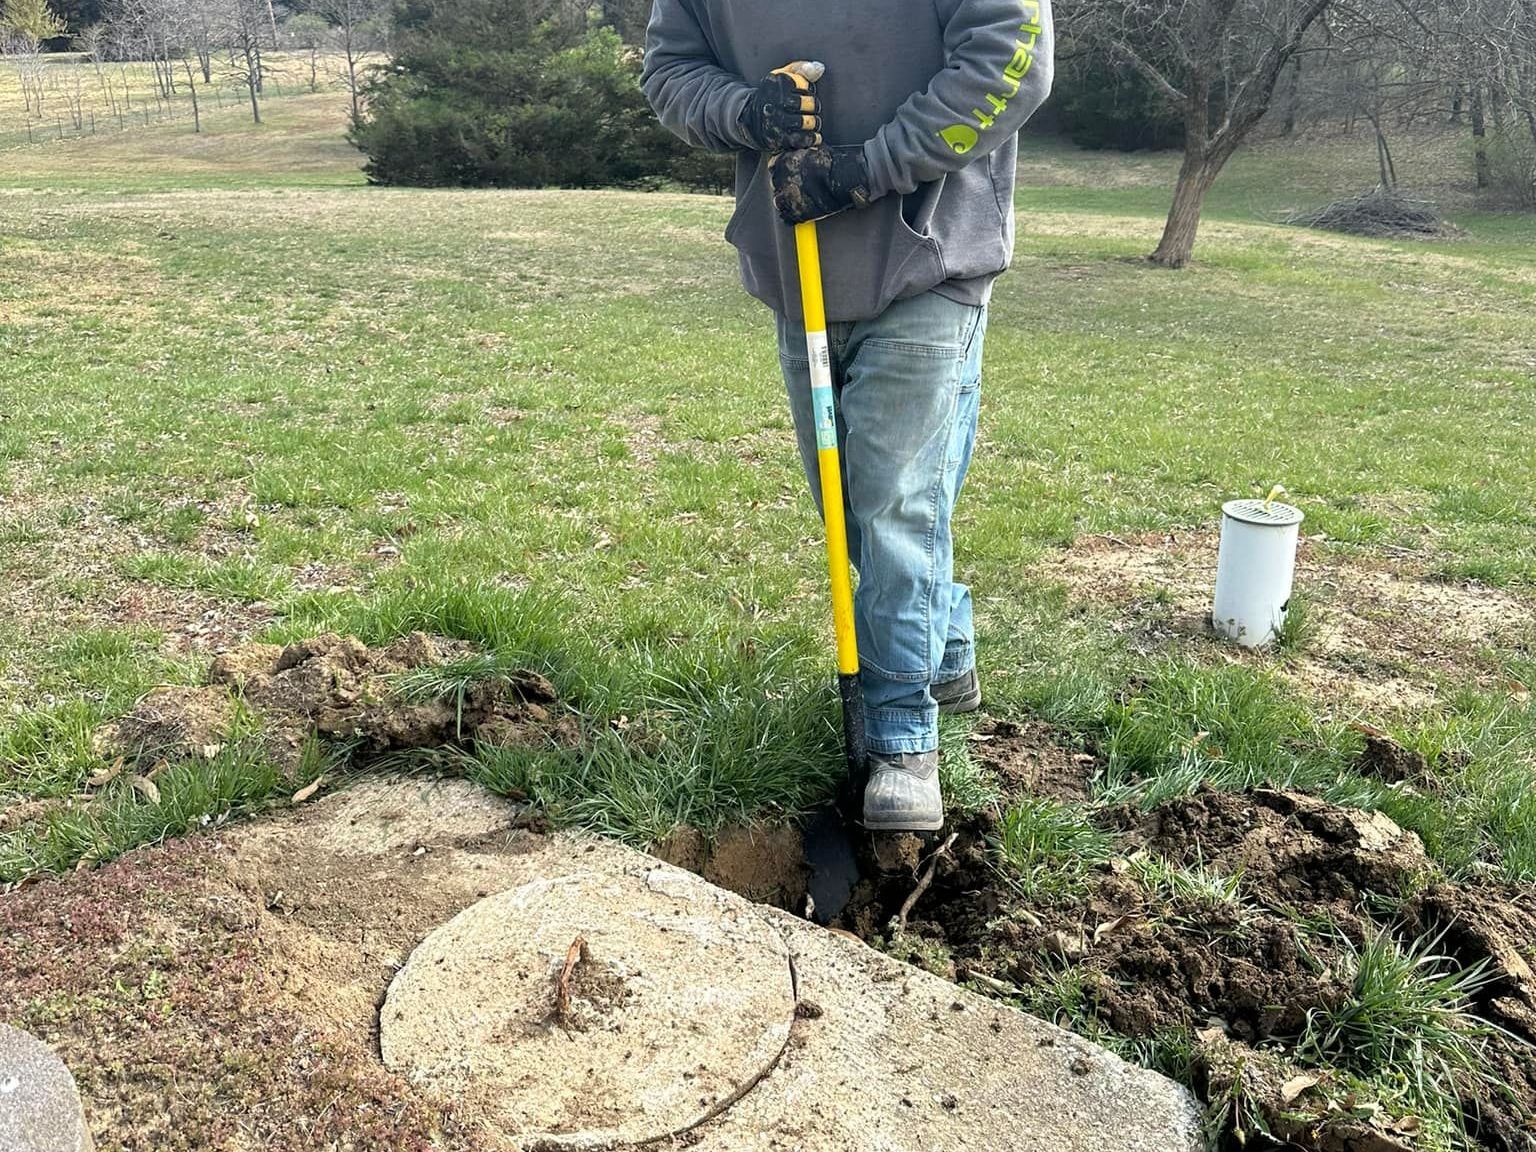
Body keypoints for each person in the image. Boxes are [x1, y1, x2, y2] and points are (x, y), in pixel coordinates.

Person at [641, 2, 1055, 832]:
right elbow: (669, 73)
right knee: (852, 506)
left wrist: (867, 168)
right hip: (798, 270)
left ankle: (903, 737)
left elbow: (1012, 55)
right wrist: (743, 112)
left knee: (895, 504)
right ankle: (945, 646)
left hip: (927, 259)